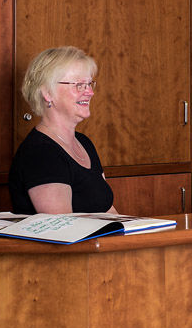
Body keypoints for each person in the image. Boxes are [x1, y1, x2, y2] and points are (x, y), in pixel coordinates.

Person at [8, 46, 114, 214]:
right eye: (79, 85)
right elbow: (64, 230)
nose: (90, 92)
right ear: (47, 93)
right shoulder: (40, 154)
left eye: (89, 84)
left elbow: (109, 214)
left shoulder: (84, 143)